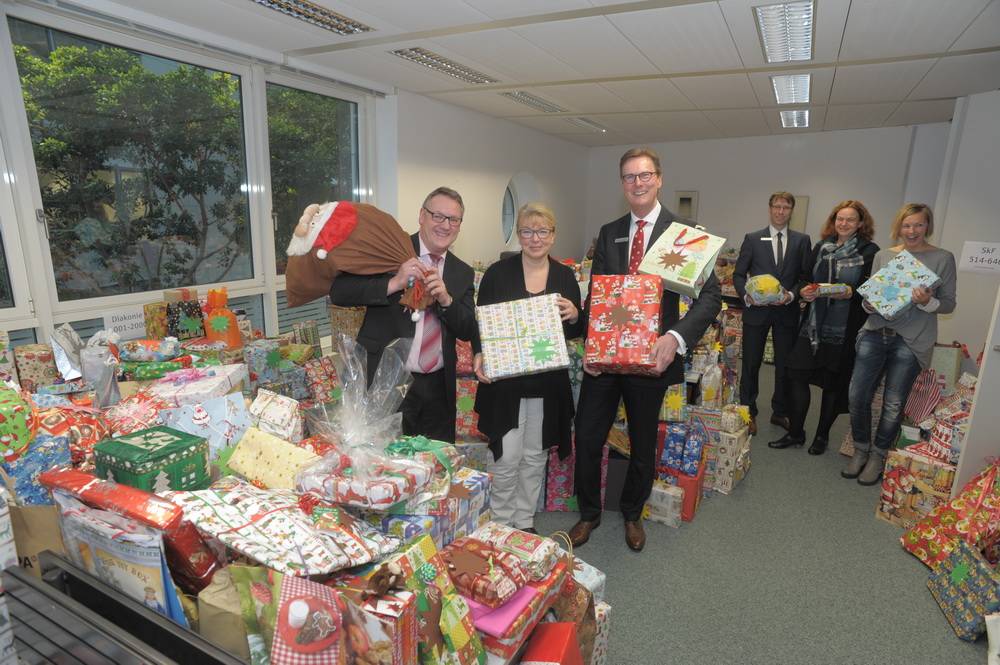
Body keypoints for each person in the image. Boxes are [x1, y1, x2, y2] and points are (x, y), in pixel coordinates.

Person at [569, 147, 721, 552]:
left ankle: (633, 514)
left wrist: (675, 339)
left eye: (645, 175)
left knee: (641, 440)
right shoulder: (609, 232)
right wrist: (590, 341)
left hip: (653, 357)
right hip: (605, 360)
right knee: (587, 437)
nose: (637, 183)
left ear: (659, 179)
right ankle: (588, 514)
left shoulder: (685, 233)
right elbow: (598, 297)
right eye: (629, 177)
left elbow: (710, 298)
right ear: (622, 184)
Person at [329, 187, 477, 443]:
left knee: (434, 465)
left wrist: (446, 300)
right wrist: (394, 283)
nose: (445, 225)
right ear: (422, 215)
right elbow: (340, 291)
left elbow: (466, 328)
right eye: (438, 216)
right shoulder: (389, 250)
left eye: (454, 219)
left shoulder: (462, 272)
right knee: (382, 464)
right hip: (384, 381)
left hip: (438, 389)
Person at [472, 203, 583, 532]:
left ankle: (524, 519)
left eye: (543, 231)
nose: (535, 238)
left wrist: (576, 315)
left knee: (535, 456)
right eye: (527, 231)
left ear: (553, 234)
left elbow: (575, 330)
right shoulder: (496, 273)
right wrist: (479, 353)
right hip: (505, 385)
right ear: (518, 234)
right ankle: (502, 521)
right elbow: (481, 324)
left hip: (548, 386)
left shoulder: (564, 276)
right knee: (505, 458)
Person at [844, 203, 956, 485]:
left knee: (894, 403)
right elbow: (872, 297)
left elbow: (949, 303)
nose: (912, 231)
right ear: (899, 227)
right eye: (907, 225)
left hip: (912, 338)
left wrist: (926, 301)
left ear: (927, 226)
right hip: (875, 331)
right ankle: (860, 449)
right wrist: (869, 304)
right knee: (857, 395)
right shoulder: (883, 255)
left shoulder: (943, 258)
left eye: (918, 225)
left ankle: (878, 455)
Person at [770, 200, 879, 454]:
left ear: (861, 223)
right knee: (796, 374)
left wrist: (851, 293)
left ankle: (822, 436)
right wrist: (804, 291)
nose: (844, 223)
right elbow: (806, 277)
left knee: (832, 384)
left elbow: (871, 290)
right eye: (840, 218)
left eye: (850, 219)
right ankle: (796, 432)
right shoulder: (821, 246)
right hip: (813, 326)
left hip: (843, 329)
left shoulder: (869, 251)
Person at [733, 192, 812, 436]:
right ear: (770, 209)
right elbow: (738, 274)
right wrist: (746, 297)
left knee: (784, 367)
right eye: (776, 206)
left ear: (791, 211)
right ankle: (748, 412)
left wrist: (792, 295)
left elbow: (805, 277)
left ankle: (780, 411)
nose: (780, 211)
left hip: (786, 313)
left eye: (785, 207)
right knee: (751, 365)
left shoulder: (802, 241)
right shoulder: (753, 239)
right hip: (756, 313)